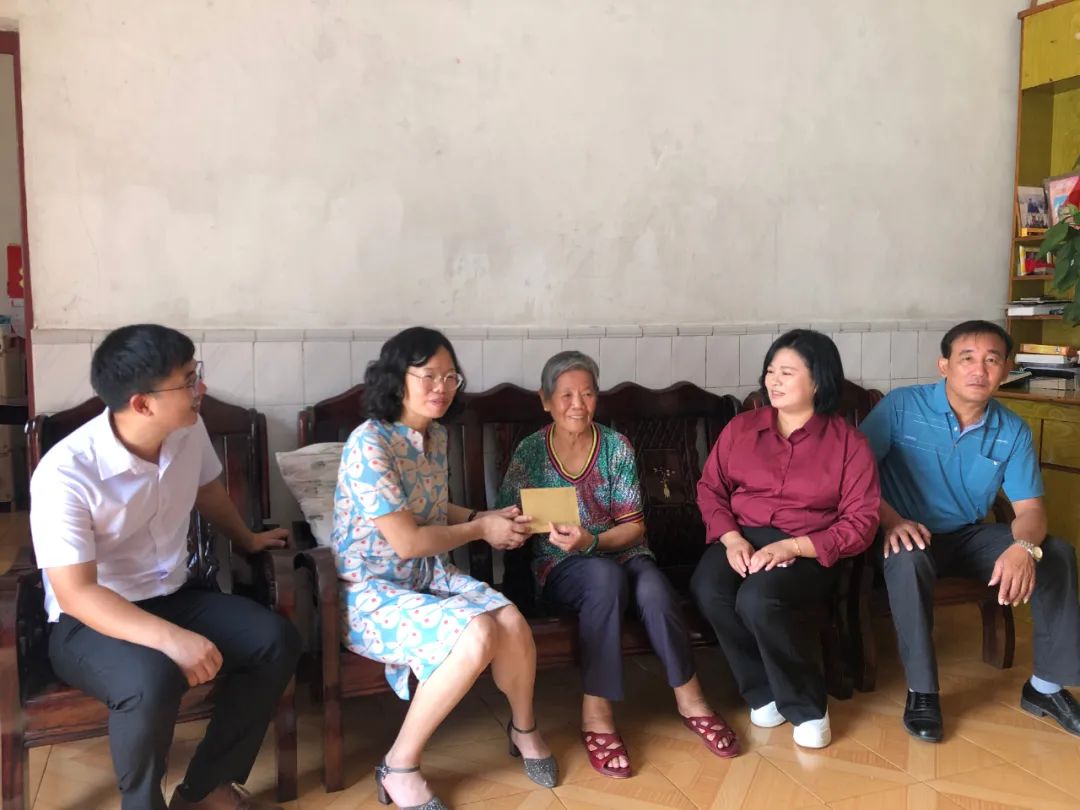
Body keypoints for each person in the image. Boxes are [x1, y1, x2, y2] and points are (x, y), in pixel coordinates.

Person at [30, 324, 302, 810]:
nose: (202, 388)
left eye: (196, 373)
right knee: (151, 678)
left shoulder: (187, 430)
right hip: (89, 621)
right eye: (188, 380)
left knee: (274, 640)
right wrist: (171, 639)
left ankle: (205, 789)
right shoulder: (66, 473)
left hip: (174, 595)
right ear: (142, 404)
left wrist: (247, 539)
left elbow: (207, 490)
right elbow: (76, 594)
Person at [333, 327, 557, 809]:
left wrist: (481, 515)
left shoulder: (433, 437)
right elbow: (409, 540)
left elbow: (432, 508)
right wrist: (480, 531)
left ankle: (523, 729)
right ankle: (399, 764)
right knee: (476, 633)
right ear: (397, 378)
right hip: (370, 593)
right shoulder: (368, 443)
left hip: (427, 578)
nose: (442, 386)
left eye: (450, 376)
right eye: (428, 375)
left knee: (512, 622)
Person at [496, 351, 735, 780]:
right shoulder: (530, 452)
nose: (578, 404)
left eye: (587, 394)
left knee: (654, 589)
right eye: (566, 395)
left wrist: (592, 540)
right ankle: (597, 714)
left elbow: (634, 527)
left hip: (621, 552)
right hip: (561, 564)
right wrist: (524, 527)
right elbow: (506, 515)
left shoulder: (615, 446)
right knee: (603, 578)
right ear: (545, 400)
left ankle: (692, 700)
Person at [860, 320, 1080, 742]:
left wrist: (1022, 546)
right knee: (907, 557)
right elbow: (851, 474)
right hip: (900, 529)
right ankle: (922, 692)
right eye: (967, 359)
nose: (979, 370)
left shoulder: (1012, 430)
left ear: (1006, 370)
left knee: (1056, 554)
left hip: (967, 535)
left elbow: (1030, 509)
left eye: (992, 360)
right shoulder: (902, 406)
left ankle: (1046, 687)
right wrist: (891, 520)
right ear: (944, 365)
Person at [690, 329, 879, 749]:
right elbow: (710, 489)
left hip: (809, 545)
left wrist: (792, 547)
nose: (773, 381)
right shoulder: (741, 428)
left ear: (819, 381)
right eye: (771, 371)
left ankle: (808, 708)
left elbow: (861, 521)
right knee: (709, 588)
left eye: (787, 373)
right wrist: (732, 540)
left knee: (759, 599)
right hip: (742, 535)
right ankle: (763, 691)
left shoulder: (849, 444)